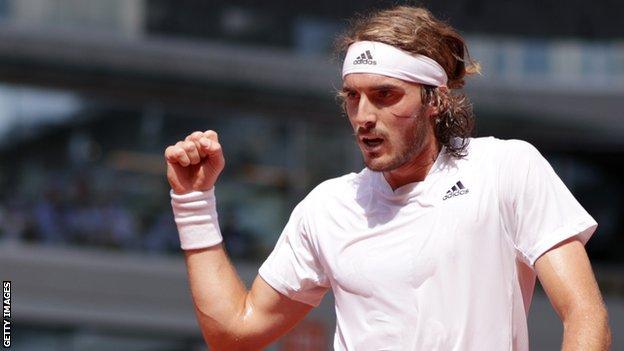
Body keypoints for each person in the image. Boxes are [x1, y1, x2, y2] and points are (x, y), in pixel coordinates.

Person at [164, 6, 611, 350]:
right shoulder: (326, 207)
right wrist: (193, 202)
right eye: (353, 97)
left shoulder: (507, 167)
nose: (364, 116)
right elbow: (235, 333)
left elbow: (583, 313)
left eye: (384, 96)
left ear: (434, 100)